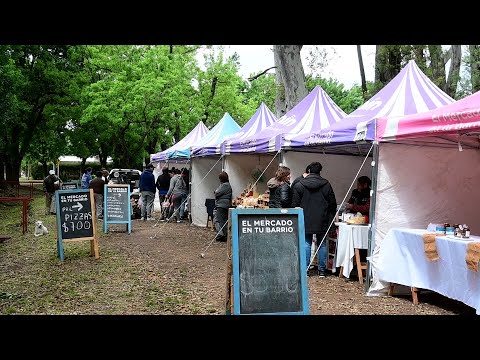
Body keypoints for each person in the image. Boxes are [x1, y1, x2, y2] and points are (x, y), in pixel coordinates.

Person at [292, 161, 337, 278]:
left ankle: (306, 269)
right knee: (322, 244)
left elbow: (294, 203)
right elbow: (333, 203)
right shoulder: (326, 184)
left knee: (306, 243)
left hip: (305, 218)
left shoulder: (299, 184)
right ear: (320, 171)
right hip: (323, 218)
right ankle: (321, 271)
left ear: (309, 171)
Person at [213, 171, 232, 242]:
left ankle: (221, 234)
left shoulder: (225, 185)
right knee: (223, 221)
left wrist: (215, 192)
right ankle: (224, 235)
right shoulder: (227, 185)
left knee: (217, 220)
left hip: (221, 205)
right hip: (225, 204)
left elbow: (217, 193)